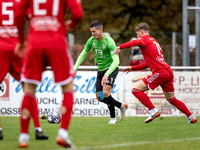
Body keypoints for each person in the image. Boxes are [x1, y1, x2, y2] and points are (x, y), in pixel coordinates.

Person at [15, 0, 83, 148]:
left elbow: (19, 13)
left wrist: (21, 40)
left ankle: (23, 136)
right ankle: (63, 134)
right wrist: (70, 25)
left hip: (35, 43)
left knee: (29, 90)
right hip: (57, 42)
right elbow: (78, 13)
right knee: (68, 89)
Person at [115, 22, 197, 124]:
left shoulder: (144, 39)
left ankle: (153, 110)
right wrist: (133, 68)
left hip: (160, 72)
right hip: (167, 72)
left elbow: (134, 43)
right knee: (171, 99)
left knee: (136, 90)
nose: (137, 37)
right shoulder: (154, 41)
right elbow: (148, 63)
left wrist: (120, 47)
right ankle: (191, 116)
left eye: (137, 35)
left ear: (141, 32)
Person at [0, 0, 48, 141]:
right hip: (17, 49)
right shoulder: (20, 2)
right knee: (29, 89)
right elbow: (32, 16)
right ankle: (38, 129)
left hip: (0, 49)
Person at [73, 20, 128, 124]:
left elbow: (116, 61)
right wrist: (75, 68)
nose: (92, 34)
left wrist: (107, 74)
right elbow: (84, 53)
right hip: (100, 70)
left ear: (100, 30)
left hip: (111, 69)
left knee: (106, 92)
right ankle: (121, 106)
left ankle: (113, 119)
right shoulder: (91, 40)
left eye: (94, 32)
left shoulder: (109, 41)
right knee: (99, 97)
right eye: (91, 32)